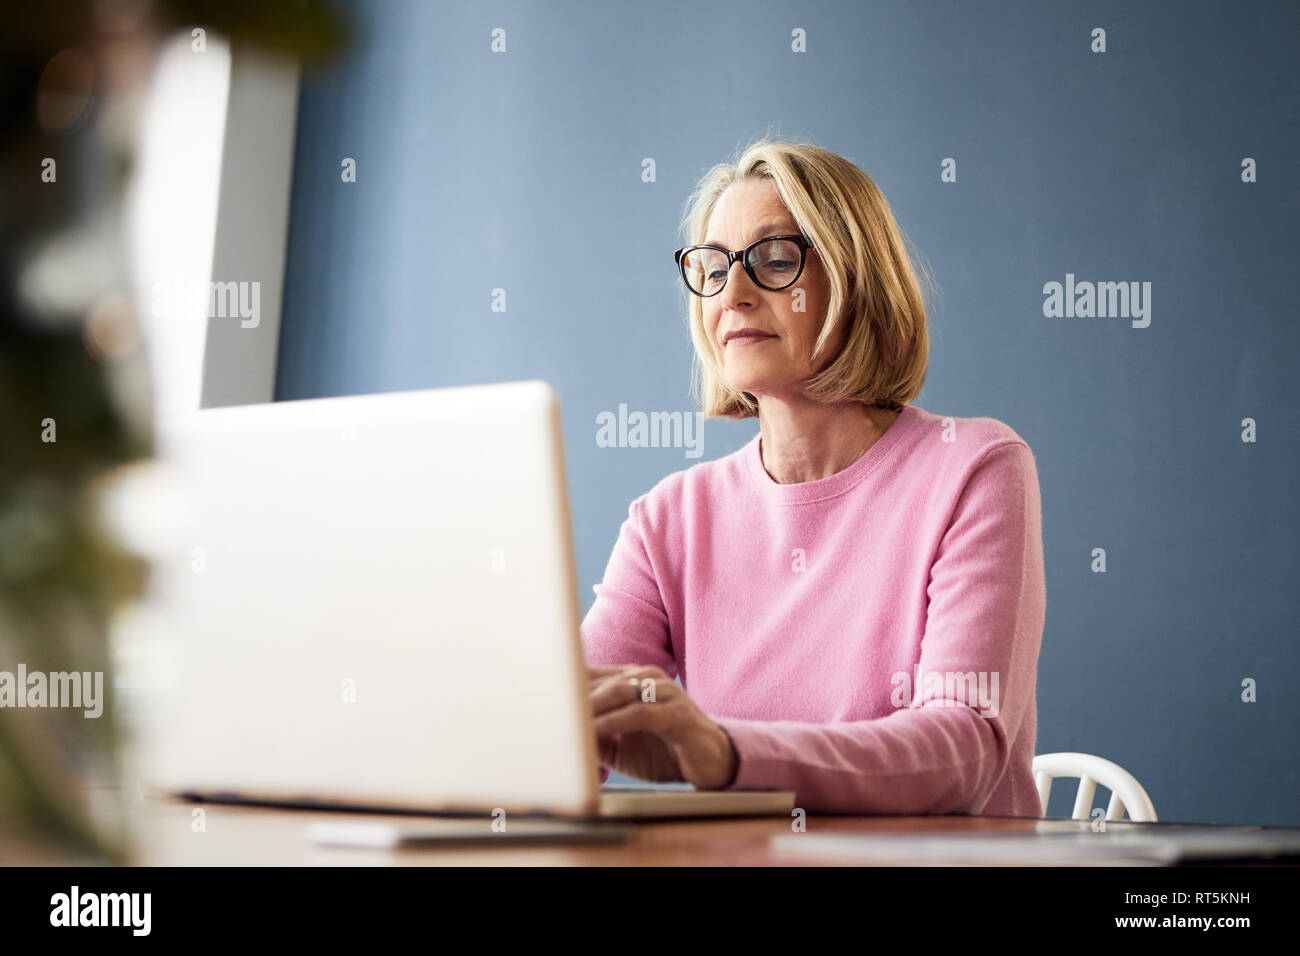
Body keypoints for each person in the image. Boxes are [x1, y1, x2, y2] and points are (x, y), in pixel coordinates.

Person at [583, 138, 1045, 816]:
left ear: (858, 282)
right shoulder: (669, 518)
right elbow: (572, 723)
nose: (731, 294)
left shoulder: (974, 467)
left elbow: (964, 748)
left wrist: (725, 751)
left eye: (773, 260)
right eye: (712, 268)